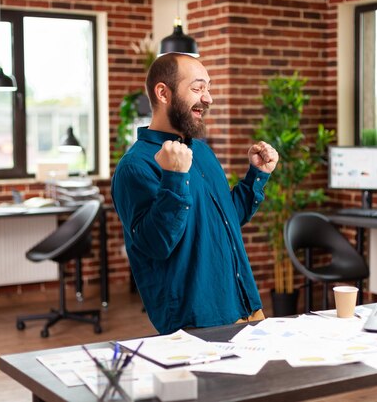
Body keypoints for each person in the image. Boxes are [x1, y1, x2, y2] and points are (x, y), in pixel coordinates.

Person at [111, 53, 279, 334]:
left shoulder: (201, 151)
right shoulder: (134, 166)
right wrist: (174, 178)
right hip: (197, 324)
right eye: (198, 88)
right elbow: (156, 245)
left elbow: (225, 219)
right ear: (163, 93)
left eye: (209, 88)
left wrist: (256, 176)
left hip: (247, 308)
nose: (208, 98)